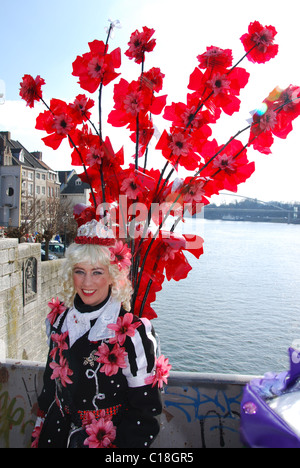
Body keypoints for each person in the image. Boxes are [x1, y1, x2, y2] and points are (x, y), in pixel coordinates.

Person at [32, 228, 163, 449]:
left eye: (97, 272)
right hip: (55, 435)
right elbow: (49, 385)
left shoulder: (132, 333)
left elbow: (146, 413)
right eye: (80, 271)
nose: (87, 283)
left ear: (112, 275)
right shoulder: (58, 320)